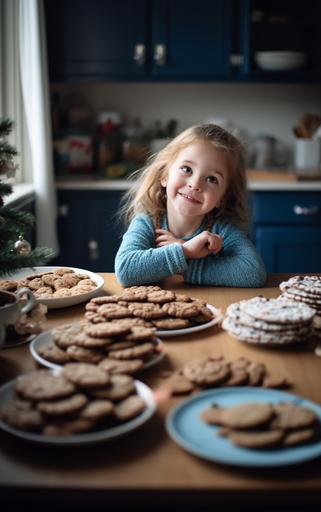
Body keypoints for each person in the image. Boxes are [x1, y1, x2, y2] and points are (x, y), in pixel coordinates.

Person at [115, 123, 266, 287]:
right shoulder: (147, 222)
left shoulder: (222, 231)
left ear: (222, 198)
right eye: (187, 169)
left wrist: (184, 263)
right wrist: (186, 251)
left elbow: (253, 272)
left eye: (211, 179)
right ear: (165, 175)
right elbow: (125, 270)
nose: (195, 185)